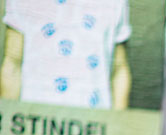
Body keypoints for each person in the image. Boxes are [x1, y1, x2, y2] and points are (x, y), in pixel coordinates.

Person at [0, 0, 131, 109]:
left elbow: (119, 70)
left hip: (94, 122)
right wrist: (5, 125)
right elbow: (13, 64)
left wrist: (118, 126)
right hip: (34, 121)